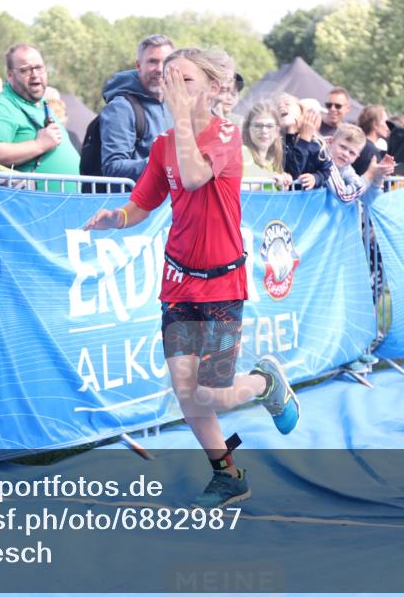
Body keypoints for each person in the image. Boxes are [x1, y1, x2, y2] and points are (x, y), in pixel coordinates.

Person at [83, 47, 300, 508]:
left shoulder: (226, 134)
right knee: (186, 392)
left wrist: (182, 119)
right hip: (178, 283)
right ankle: (228, 475)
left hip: (222, 284)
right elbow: (143, 203)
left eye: (184, 80)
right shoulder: (163, 144)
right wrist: (116, 219)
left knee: (212, 394)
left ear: (213, 88)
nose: (172, 88)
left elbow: (196, 175)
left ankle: (265, 382)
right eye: (168, 79)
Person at [0, 44, 80, 192]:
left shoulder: (40, 104)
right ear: (10, 75)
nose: (34, 74)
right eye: (25, 70)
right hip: (35, 203)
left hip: (67, 201)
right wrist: (39, 145)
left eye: (39, 68)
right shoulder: (2, 106)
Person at [99, 34, 175, 181]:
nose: (160, 69)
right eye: (153, 61)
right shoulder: (121, 108)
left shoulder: (177, 104)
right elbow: (112, 168)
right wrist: (166, 164)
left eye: (166, 62)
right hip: (134, 195)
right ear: (139, 66)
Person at [326, 123, 396, 203]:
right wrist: (369, 175)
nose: (345, 154)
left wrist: (378, 178)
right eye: (343, 147)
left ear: (357, 157)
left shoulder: (347, 168)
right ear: (330, 142)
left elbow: (366, 200)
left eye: (352, 153)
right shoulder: (324, 160)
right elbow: (343, 195)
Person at [277, 94, 332, 190]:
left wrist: (316, 178)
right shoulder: (278, 143)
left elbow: (325, 170)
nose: (282, 106)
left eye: (287, 104)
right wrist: (299, 138)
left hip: (308, 197)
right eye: (278, 107)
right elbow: (292, 172)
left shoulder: (316, 143)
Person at [241, 101, 293, 190]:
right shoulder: (241, 152)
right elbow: (231, 189)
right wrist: (268, 180)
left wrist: (284, 185)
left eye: (269, 126)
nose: (264, 131)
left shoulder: (272, 163)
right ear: (248, 129)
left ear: (277, 131)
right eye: (258, 126)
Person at [356, 104, 389, 176]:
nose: (388, 126)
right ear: (375, 124)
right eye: (386, 122)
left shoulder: (363, 145)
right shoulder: (369, 150)